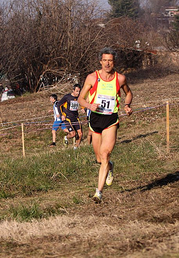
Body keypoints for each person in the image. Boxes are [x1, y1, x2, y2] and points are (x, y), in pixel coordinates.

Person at [78, 47, 133, 203]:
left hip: (111, 120)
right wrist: (89, 106)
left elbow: (129, 93)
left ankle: (98, 193)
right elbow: (80, 99)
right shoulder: (92, 78)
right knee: (99, 158)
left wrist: (127, 105)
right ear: (100, 61)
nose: (107, 63)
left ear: (113, 62)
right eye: (105, 60)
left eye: (110, 60)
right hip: (95, 120)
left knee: (105, 153)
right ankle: (109, 166)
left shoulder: (120, 78)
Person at [57, 84, 84, 149]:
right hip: (67, 118)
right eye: (77, 91)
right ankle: (66, 137)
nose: (78, 93)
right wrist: (61, 115)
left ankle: (76, 147)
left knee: (80, 134)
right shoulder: (67, 97)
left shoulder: (79, 97)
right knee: (73, 134)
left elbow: (82, 102)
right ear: (73, 90)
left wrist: (83, 108)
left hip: (75, 117)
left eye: (79, 91)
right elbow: (59, 105)